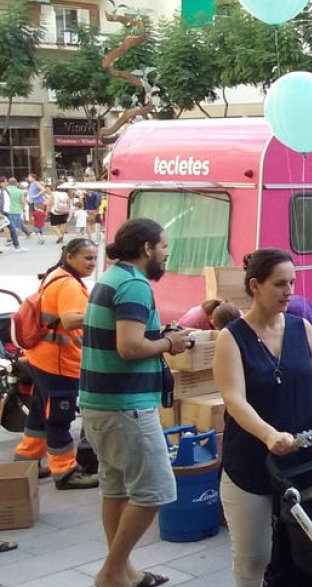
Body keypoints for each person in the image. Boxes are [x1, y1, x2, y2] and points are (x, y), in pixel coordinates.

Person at [213, 249, 312, 587]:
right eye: (279, 284)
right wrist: (269, 434)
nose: (289, 291)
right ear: (255, 286)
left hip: (304, 458)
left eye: (292, 283)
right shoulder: (231, 337)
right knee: (253, 557)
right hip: (251, 461)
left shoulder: (302, 328)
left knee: (309, 551)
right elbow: (234, 399)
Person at [80, 219, 191, 587]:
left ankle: (125, 570)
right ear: (146, 248)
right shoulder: (134, 284)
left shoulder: (111, 279)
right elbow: (129, 347)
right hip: (126, 406)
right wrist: (169, 344)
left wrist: (160, 336)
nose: (165, 255)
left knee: (116, 489)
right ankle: (112, 572)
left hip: (101, 404)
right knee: (155, 490)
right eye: (163, 248)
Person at [13, 239, 100, 489]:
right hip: (59, 363)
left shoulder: (55, 275)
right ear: (70, 257)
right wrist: (103, 312)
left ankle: (25, 461)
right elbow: (71, 321)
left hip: (42, 358)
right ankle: (64, 472)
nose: (92, 263)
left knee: (41, 412)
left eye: (94, 258)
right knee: (59, 417)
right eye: (87, 258)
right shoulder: (69, 285)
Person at [4, 177, 26, 251]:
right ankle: (15, 241)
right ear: (16, 183)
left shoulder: (5, 190)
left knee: (6, 225)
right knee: (16, 227)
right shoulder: (20, 191)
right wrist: (22, 209)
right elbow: (22, 202)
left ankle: (9, 238)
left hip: (7, 211)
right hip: (17, 211)